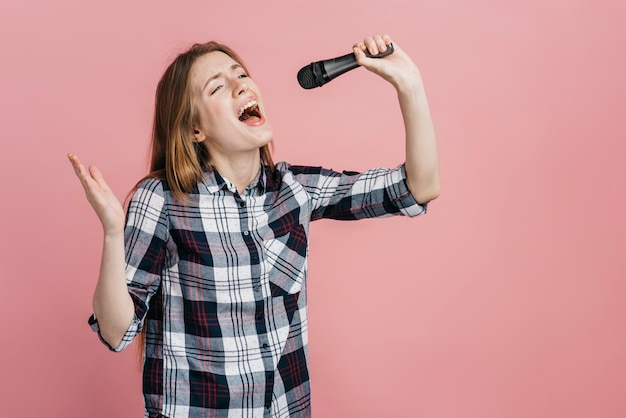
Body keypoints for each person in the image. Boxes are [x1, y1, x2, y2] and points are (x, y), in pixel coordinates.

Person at [68, 34, 440, 418]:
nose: (241, 84)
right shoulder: (161, 199)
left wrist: (409, 82)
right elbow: (117, 332)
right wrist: (113, 234)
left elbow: (419, 187)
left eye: (241, 74)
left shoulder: (294, 191)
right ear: (195, 129)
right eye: (218, 86)